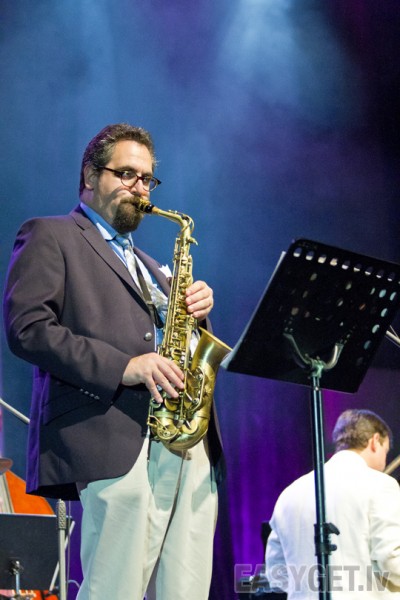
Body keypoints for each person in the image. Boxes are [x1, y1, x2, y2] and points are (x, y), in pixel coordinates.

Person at [3, 123, 225, 600]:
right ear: (90, 175)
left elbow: (172, 341)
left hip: (183, 437)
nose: (140, 188)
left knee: (185, 590)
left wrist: (195, 314)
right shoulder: (50, 234)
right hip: (112, 433)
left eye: (147, 179)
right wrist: (125, 366)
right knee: (114, 588)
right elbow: (28, 329)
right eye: (126, 174)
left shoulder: (151, 265)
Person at [265, 409, 400, 598]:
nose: (384, 463)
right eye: (385, 451)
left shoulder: (289, 494)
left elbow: (276, 575)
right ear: (375, 441)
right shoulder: (382, 485)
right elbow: (393, 561)